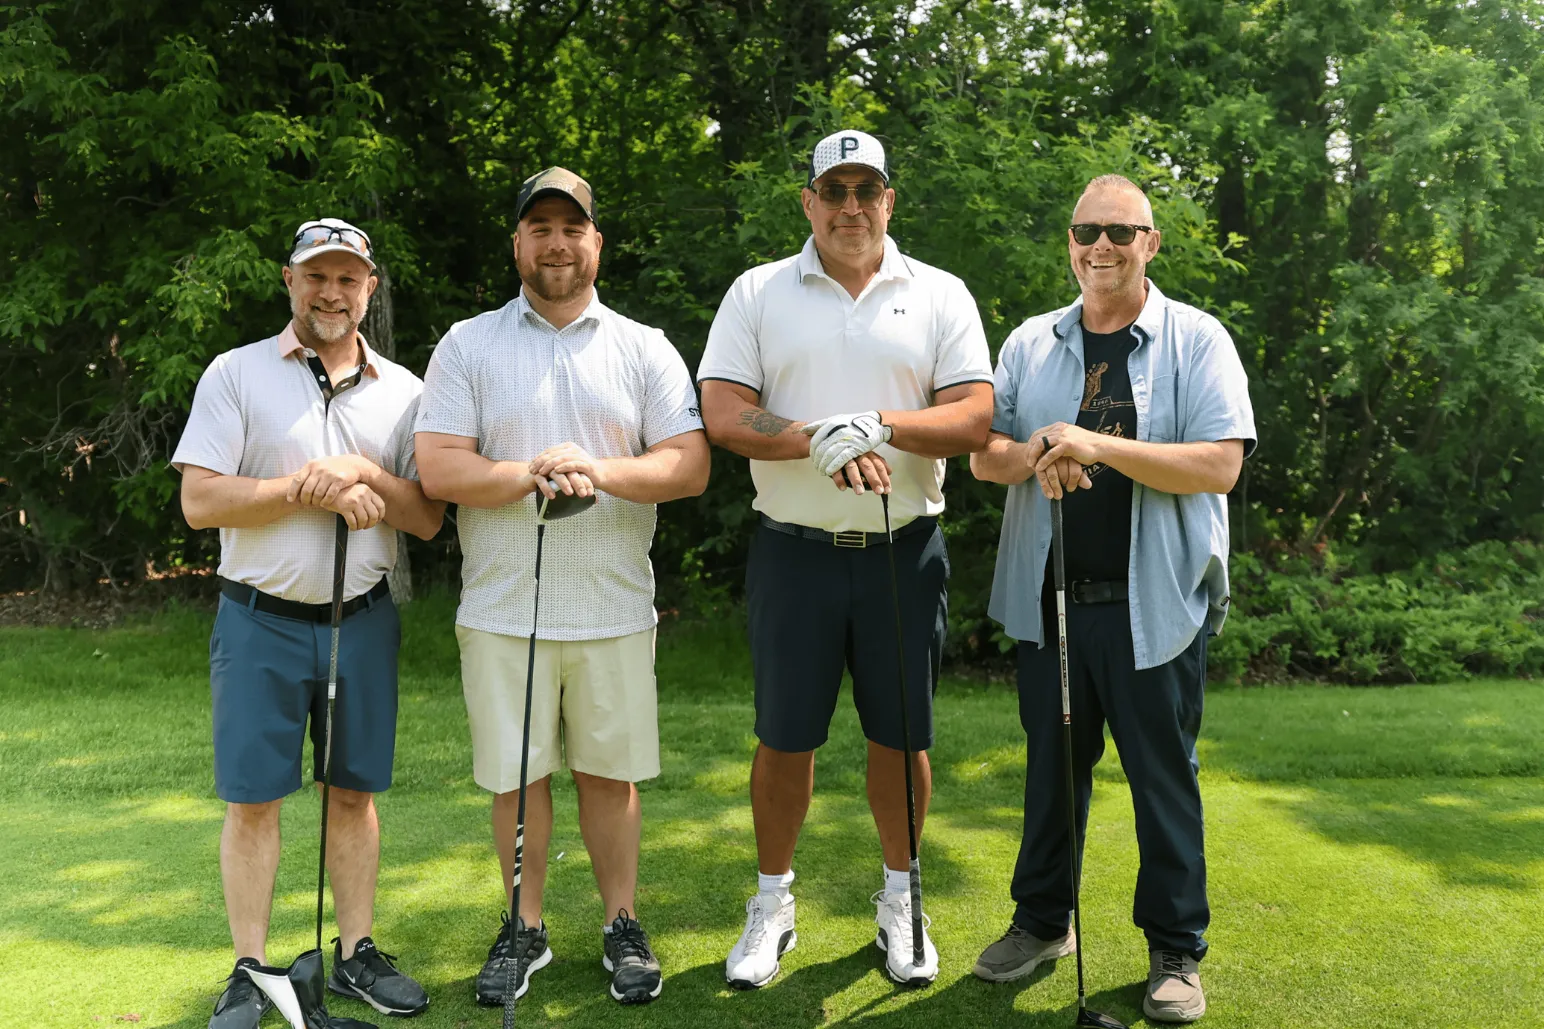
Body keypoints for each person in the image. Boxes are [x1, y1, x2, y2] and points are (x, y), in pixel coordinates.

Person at [698, 129, 993, 989]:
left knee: (900, 737)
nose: (852, 206)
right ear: (809, 202)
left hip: (906, 552)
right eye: (836, 190)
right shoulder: (759, 291)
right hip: (795, 555)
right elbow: (723, 410)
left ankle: (902, 900)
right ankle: (771, 901)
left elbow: (974, 415)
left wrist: (882, 426)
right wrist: (816, 439)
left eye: (868, 189)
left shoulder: (938, 293)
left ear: (890, 201)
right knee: (785, 735)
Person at [415, 168, 709, 1006]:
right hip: (505, 607)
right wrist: (526, 473)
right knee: (518, 776)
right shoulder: (468, 344)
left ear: (596, 244)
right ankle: (525, 926)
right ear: (517, 243)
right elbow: (438, 464)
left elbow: (687, 464)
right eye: (539, 227)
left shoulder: (643, 344)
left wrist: (596, 470)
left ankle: (621, 923)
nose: (556, 242)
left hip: (614, 604)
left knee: (609, 777)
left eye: (571, 228)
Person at [968, 174, 1257, 1023]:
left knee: (1163, 779)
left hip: (1155, 604)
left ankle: (1176, 949)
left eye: (1121, 232)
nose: (1103, 245)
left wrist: (1096, 441)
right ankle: (1040, 922)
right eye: (1088, 229)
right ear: (1069, 241)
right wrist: (1040, 454)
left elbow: (1220, 464)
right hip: (1051, 601)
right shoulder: (1030, 342)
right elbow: (986, 452)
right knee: (1053, 777)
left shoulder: (1196, 339)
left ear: (1150, 244)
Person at [174, 218, 444, 1028]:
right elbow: (200, 500)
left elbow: (427, 518)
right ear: (288, 281)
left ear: (370, 287)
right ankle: (251, 970)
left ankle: (355, 953)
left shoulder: (405, 389)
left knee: (353, 793)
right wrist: (305, 488)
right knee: (254, 800)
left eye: (348, 278)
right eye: (316, 277)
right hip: (259, 619)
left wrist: (361, 474)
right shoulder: (236, 374)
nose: (332, 293)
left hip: (360, 620)